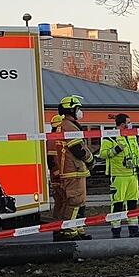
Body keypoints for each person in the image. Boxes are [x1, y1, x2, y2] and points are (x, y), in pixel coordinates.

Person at [54, 95, 95, 241]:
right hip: (73, 170)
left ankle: (78, 229)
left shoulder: (67, 125)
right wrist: (91, 160)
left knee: (79, 202)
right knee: (75, 202)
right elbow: (78, 149)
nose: (80, 112)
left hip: (74, 170)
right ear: (71, 110)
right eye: (78, 109)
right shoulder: (68, 126)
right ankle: (70, 231)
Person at [99, 114, 139, 238]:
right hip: (118, 175)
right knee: (117, 204)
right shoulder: (110, 137)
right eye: (129, 122)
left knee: (132, 204)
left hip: (132, 175)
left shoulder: (131, 136)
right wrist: (116, 150)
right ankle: (116, 231)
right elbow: (102, 154)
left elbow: (137, 153)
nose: (131, 124)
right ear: (122, 124)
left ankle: (134, 230)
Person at [46, 114, 67, 225]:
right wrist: (58, 174)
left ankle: (58, 225)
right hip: (58, 177)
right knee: (62, 201)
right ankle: (59, 225)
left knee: (60, 201)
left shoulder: (52, 139)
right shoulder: (53, 140)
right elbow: (51, 161)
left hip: (58, 176)